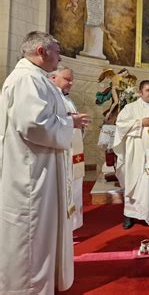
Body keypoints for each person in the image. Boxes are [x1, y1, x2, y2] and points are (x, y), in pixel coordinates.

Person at [0, 31, 90, 293]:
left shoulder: (34, 78)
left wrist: (65, 122)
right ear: (41, 51)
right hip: (31, 174)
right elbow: (33, 125)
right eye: (57, 51)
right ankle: (28, 288)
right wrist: (69, 123)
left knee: (39, 231)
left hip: (39, 167)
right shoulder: (28, 79)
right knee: (32, 232)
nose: (60, 56)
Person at [113, 80, 149, 229]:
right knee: (135, 179)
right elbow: (120, 125)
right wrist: (141, 123)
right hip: (137, 152)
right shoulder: (130, 108)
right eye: (148, 90)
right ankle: (129, 215)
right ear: (140, 92)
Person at [49, 67, 86, 231]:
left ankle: (71, 227)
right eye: (67, 79)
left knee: (75, 187)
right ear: (53, 77)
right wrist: (72, 121)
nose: (71, 83)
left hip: (74, 151)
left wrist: (80, 125)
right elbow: (48, 123)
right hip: (62, 153)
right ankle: (62, 228)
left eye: (71, 80)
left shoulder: (68, 100)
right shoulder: (50, 96)